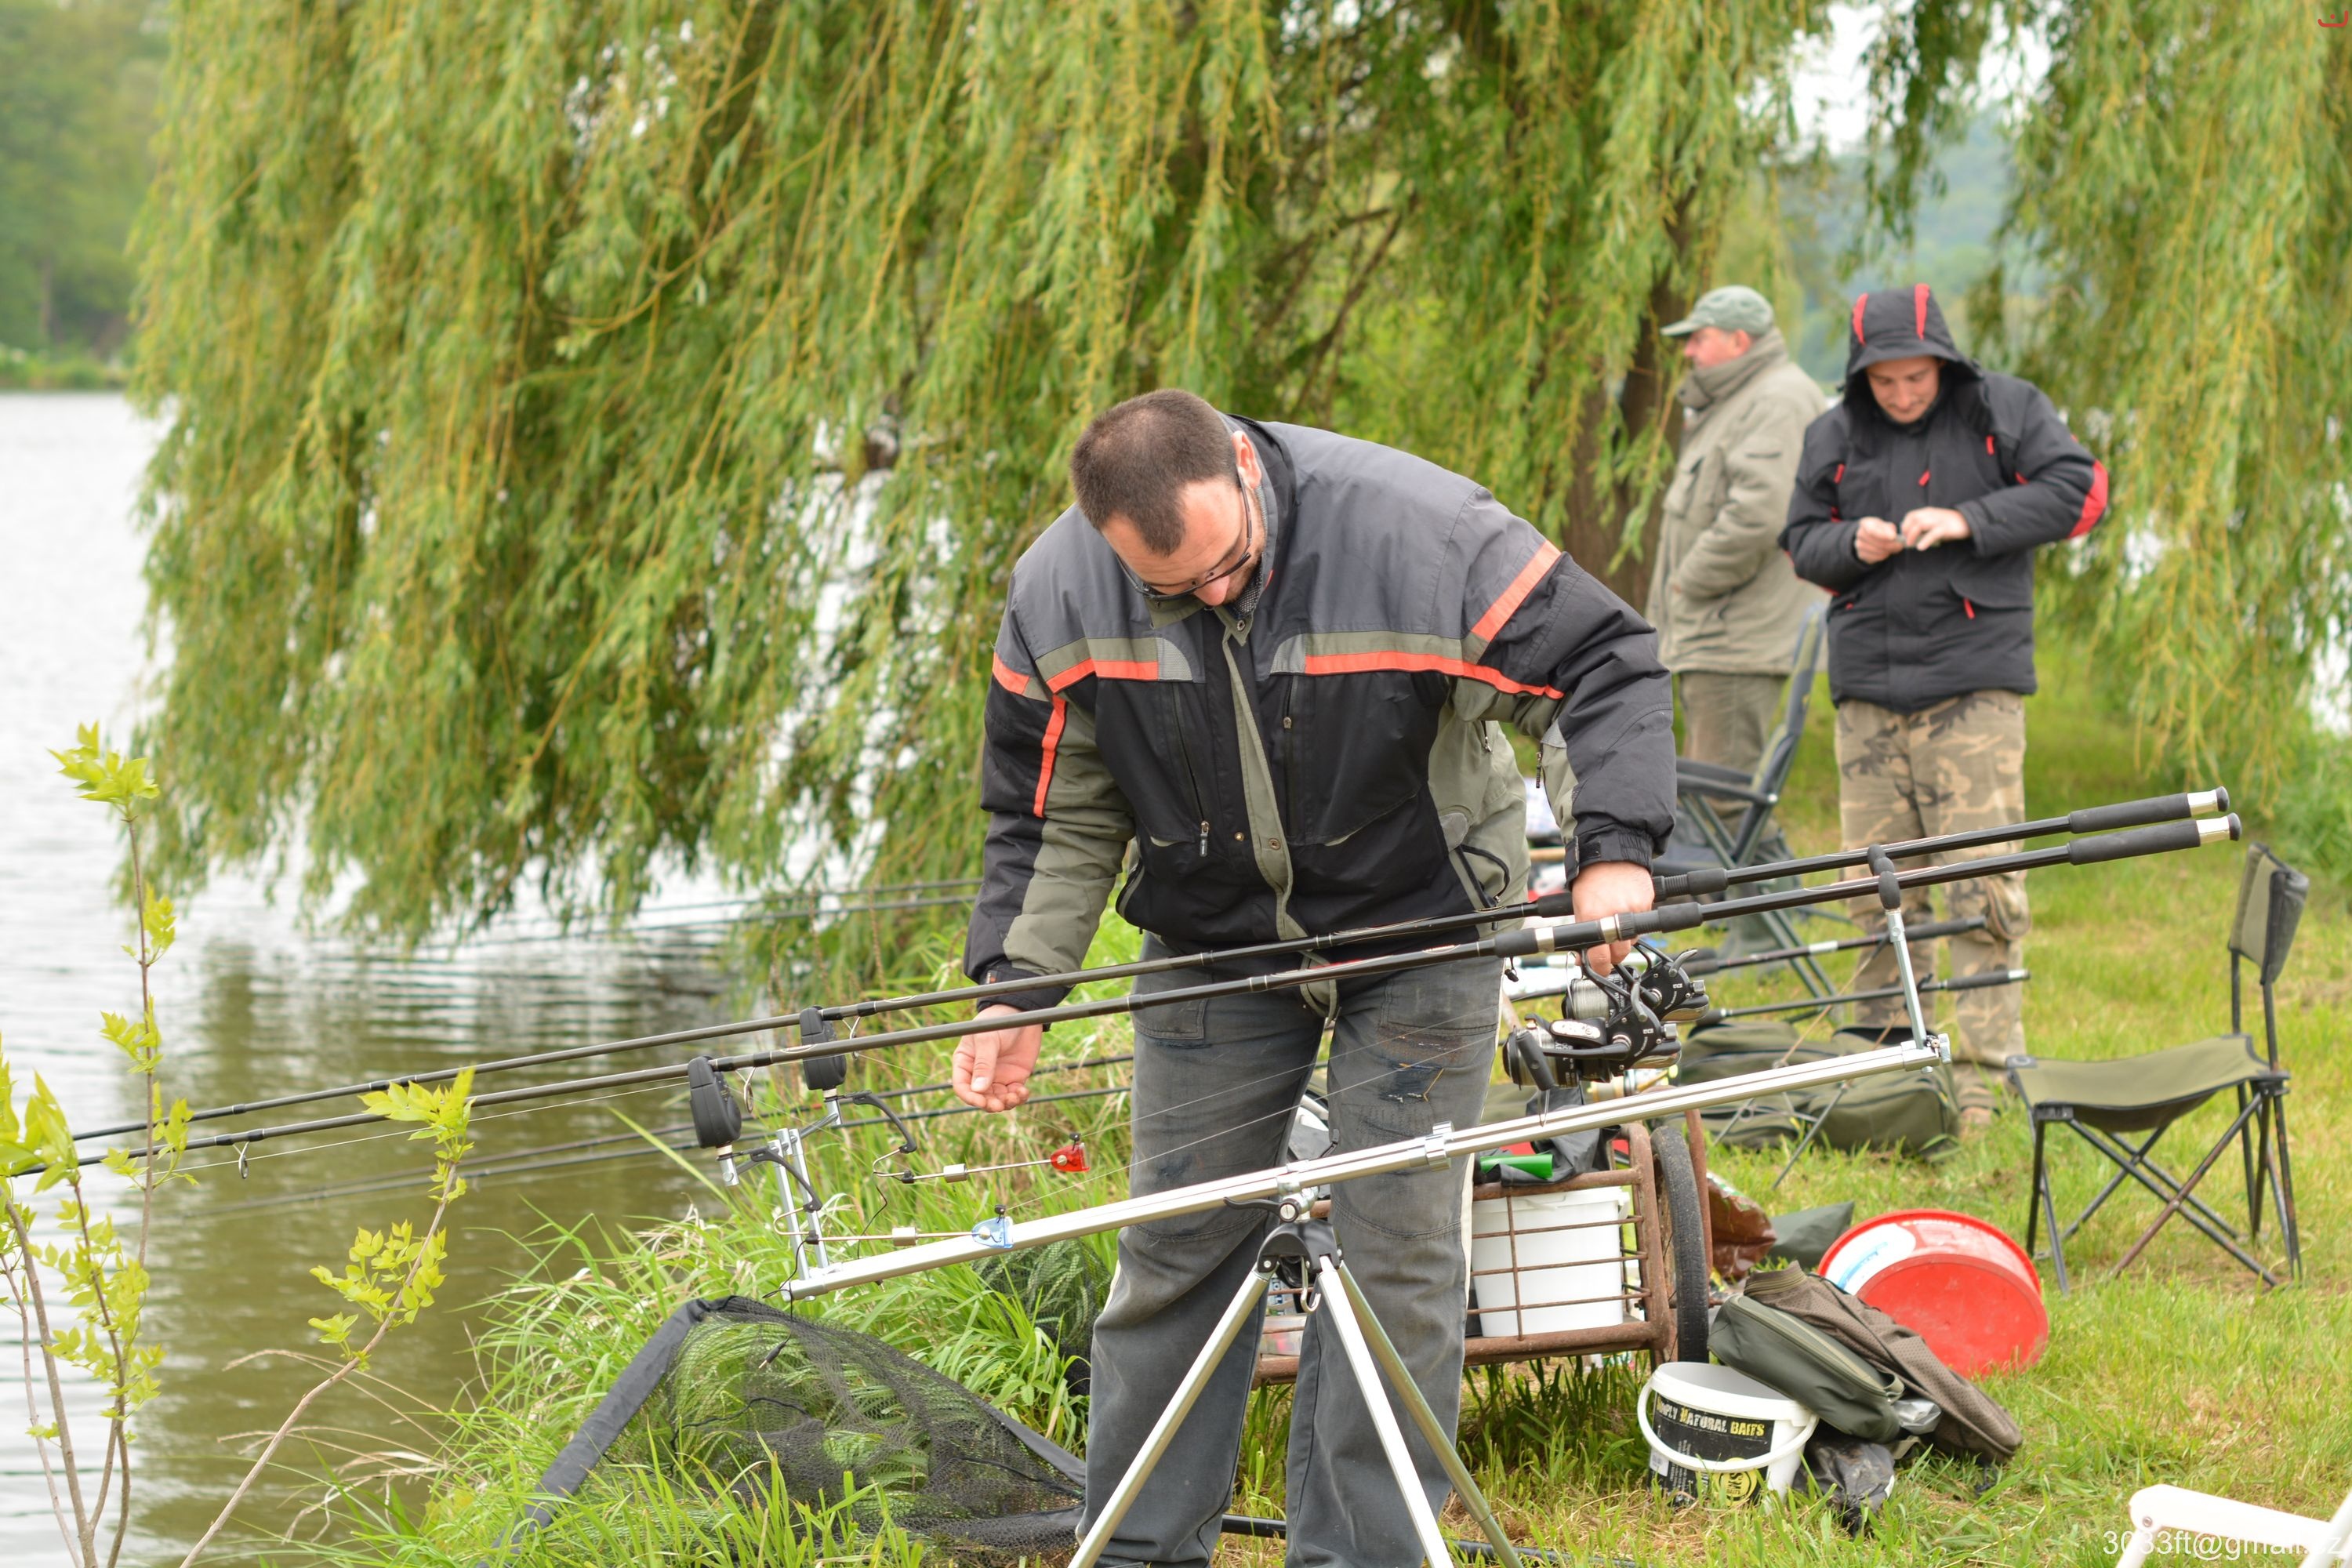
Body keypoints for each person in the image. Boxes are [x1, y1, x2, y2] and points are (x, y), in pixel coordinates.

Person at [954, 389, 1675, 1568]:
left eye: (1229, 565)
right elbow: (1051, 816)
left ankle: (1362, 1553)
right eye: (1173, 588)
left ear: (1246, 468)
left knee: (1398, 1257)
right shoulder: (1056, 595)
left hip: (1424, 924)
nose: (1212, 596)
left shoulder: (1419, 532)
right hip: (1214, 943)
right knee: (1176, 1246)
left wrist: (1615, 856)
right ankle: (1136, 1549)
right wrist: (1016, 988)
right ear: (1106, 540)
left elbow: (1600, 662)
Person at [1779, 285, 2108, 1127]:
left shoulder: (2005, 407)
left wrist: (1968, 519)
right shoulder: (1833, 432)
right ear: (1862, 374)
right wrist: (1851, 541)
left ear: (1945, 362)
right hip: (1868, 693)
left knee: (1980, 885)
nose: (1901, 394)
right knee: (1876, 887)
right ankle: (1890, 1072)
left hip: (1975, 687)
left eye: (1916, 377)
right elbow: (1801, 542)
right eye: (1884, 380)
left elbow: (2084, 492)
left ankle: (1982, 1078)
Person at [1652, 285, 1828, 775]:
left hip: (1736, 640)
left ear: (1739, 341)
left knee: (1716, 799)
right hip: (1721, 632)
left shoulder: (1777, 400)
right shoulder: (1742, 398)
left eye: (1699, 338)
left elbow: (1760, 515)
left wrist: (1687, 582)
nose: (1689, 351)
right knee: (1711, 793)